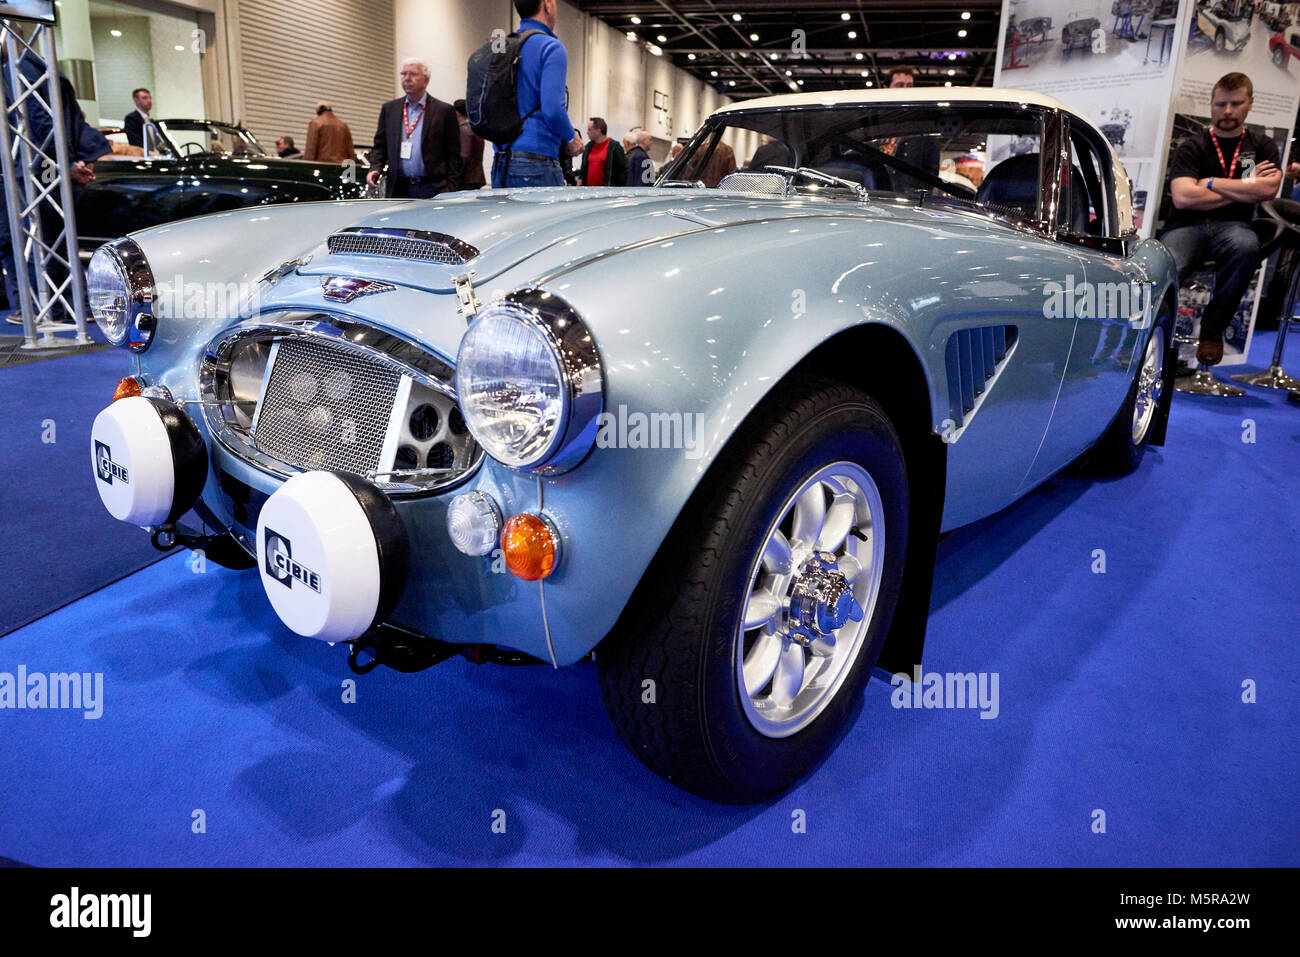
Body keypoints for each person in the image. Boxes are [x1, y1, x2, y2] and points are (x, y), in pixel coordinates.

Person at [1159, 72, 1282, 365]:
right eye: (1221, 104)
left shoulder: (1262, 146)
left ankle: (1212, 331)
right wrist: (1245, 188)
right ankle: (1147, 328)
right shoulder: (1193, 146)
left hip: (1234, 227)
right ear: (1212, 104)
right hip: (1185, 225)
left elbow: (1267, 190)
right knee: (1165, 265)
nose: (1227, 111)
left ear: (1250, 103)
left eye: (1236, 103)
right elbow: (1183, 197)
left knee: (1247, 248)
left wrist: (1211, 182)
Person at [490, 0, 583, 189]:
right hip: (536, 162)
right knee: (550, 219)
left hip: (501, 161)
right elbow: (553, 109)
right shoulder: (550, 47)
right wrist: (571, 139)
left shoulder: (503, 46)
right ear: (547, 5)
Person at [365, 59, 462, 198]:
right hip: (398, 188)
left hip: (433, 188)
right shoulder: (390, 109)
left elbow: (454, 154)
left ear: (426, 80)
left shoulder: (444, 111)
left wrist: (450, 188)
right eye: (403, 74)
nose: (407, 78)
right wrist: (375, 168)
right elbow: (380, 145)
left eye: (413, 74)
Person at [580, 117, 626, 186]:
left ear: (598, 131)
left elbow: (621, 174)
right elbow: (583, 170)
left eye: (590, 130)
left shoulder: (615, 148)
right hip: (588, 191)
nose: (587, 132)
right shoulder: (588, 148)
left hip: (607, 192)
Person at [453, 99, 486, 189]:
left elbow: (464, 156)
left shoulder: (463, 130)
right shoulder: (474, 129)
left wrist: (454, 177)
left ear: (457, 113)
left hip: (466, 179)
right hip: (475, 177)